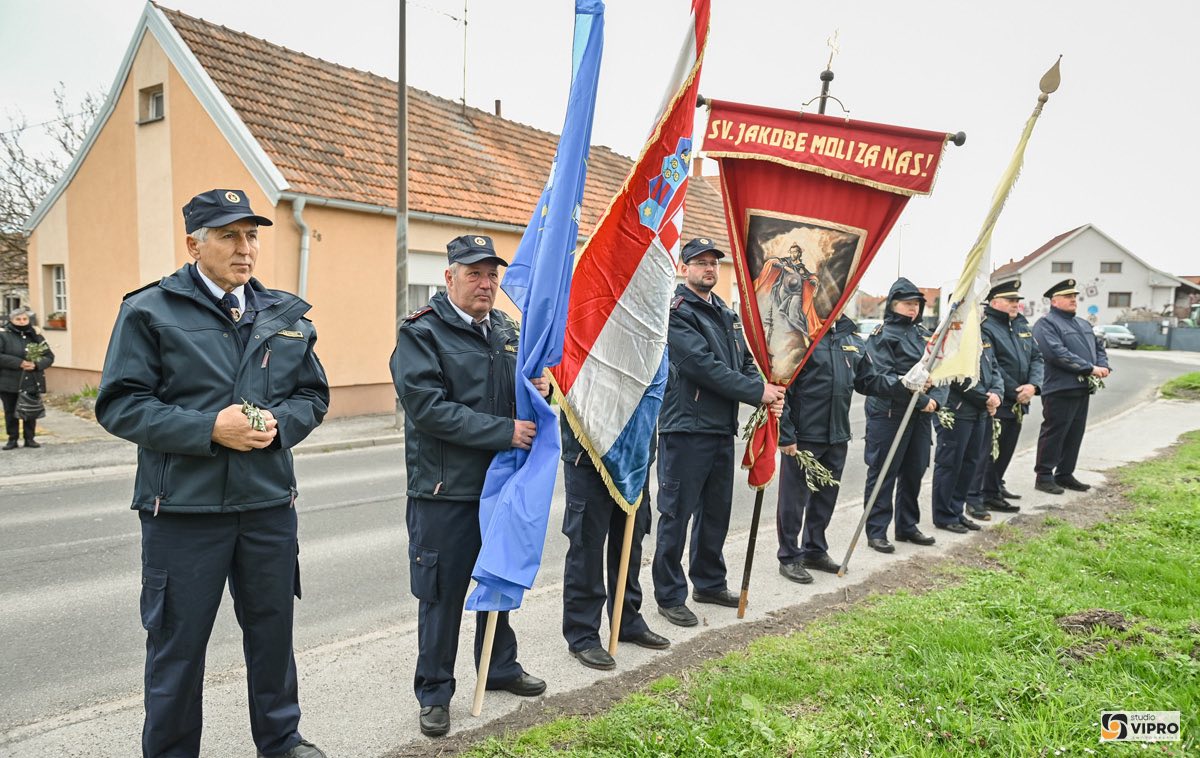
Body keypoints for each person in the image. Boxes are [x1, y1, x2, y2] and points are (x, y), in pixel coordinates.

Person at [94, 189, 330, 758]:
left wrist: (280, 422)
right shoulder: (150, 310)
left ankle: (282, 740)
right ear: (194, 243)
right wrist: (208, 430)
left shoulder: (284, 314)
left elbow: (313, 395)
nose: (245, 248)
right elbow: (120, 404)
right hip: (183, 512)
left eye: (251, 236)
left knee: (273, 636)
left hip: (267, 506)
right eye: (229, 236)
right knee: (178, 646)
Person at [391, 234, 549, 739]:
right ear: (450, 277)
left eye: (492, 274)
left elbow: (521, 387)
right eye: (475, 273)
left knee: (497, 578)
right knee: (441, 596)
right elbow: (428, 409)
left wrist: (539, 386)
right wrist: (503, 431)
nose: (486, 283)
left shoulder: (506, 328)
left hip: (501, 484)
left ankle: (498, 665)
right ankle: (435, 691)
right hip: (445, 490)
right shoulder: (422, 333)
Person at [653, 237, 786, 627]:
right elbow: (700, 364)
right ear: (684, 268)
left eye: (713, 262)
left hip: (719, 428)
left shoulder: (726, 314)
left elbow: (743, 363)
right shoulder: (676, 311)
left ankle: (709, 582)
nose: (709, 268)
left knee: (715, 513)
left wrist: (763, 393)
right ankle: (669, 594)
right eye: (700, 262)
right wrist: (756, 391)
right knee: (676, 515)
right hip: (685, 427)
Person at [560, 422, 670, 670]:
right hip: (588, 452)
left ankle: (627, 620)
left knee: (630, 544)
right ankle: (583, 635)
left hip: (634, 452)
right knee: (586, 549)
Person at [776, 314, 877, 582]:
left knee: (825, 499)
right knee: (793, 501)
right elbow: (781, 387)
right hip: (804, 435)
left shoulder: (850, 336)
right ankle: (789, 556)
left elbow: (868, 381)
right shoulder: (800, 335)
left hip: (837, 434)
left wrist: (903, 384)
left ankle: (814, 550)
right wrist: (785, 434)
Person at [860, 278, 946, 553]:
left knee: (915, 470)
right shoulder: (882, 335)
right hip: (889, 413)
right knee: (883, 472)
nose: (913, 309)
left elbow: (941, 373)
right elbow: (882, 378)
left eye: (917, 304)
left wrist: (934, 401)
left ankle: (907, 526)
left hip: (920, 415)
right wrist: (920, 399)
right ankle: (876, 531)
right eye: (907, 303)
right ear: (893, 304)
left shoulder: (925, 335)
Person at [968, 280, 1043, 510]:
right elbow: (993, 366)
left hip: (1021, 399)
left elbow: (1037, 358)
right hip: (1001, 399)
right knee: (989, 451)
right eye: (1010, 300)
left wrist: (1033, 386)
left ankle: (995, 487)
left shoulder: (1021, 325)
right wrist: (1016, 390)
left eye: (1017, 301)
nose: (1015, 305)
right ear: (994, 302)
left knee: (1007, 448)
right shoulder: (986, 327)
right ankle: (983, 494)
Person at [1032, 279, 1109, 494]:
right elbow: (1056, 353)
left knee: (1075, 433)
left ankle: (1065, 474)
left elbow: (1098, 346)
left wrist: (1103, 365)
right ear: (1054, 301)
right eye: (1068, 296)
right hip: (1059, 388)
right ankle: (1044, 476)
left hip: (1081, 388)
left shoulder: (1083, 324)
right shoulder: (1046, 324)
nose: (1073, 299)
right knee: (1054, 433)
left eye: (1074, 296)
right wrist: (1089, 368)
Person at [930, 332, 1002, 533]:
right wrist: (985, 398)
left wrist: (997, 394)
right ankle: (944, 515)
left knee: (969, 463)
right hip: (958, 410)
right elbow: (955, 376)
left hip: (979, 412)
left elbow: (994, 369)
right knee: (950, 463)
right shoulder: (953, 336)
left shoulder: (982, 337)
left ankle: (956, 511)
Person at [0, 307, 54, 449]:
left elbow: (49, 356)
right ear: (11, 320)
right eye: (18, 319)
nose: (22, 322)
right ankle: (12, 439)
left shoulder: (35, 335)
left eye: (24, 319)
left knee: (31, 409)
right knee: (10, 411)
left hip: (32, 380)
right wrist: (20, 363)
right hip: (9, 380)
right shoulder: (3, 335)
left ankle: (30, 439)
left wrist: (36, 365)